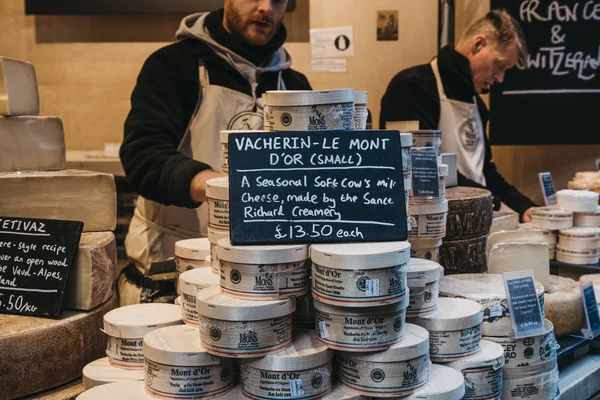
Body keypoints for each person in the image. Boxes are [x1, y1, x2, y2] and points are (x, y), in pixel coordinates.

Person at [119, 0, 311, 305]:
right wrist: (223, 187)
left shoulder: (294, 85)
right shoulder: (173, 66)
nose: (266, 8)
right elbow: (143, 157)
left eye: (277, 0)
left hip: (261, 284)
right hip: (168, 283)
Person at [380, 10, 536, 222]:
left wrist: (523, 207)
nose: (500, 78)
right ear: (478, 44)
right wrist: (494, 202)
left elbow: (484, 171)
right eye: (499, 66)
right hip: (429, 224)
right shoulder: (411, 88)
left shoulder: (477, 104)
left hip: (476, 219)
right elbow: (422, 167)